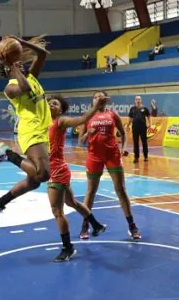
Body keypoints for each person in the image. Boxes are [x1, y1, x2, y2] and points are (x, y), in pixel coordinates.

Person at [0, 35, 52, 227]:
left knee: (33, 182)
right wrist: (12, 65)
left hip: (43, 130)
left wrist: (21, 43)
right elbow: (24, 86)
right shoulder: (10, 88)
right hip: (30, 130)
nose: (21, 64)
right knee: (43, 174)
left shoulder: (31, 77)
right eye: (17, 64)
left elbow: (43, 54)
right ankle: (6, 154)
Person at [43, 95, 109, 261]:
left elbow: (82, 119)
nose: (51, 104)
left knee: (57, 211)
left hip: (57, 170)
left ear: (61, 110)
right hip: (56, 168)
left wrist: (95, 106)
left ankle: (68, 248)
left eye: (55, 103)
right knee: (71, 202)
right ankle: (96, 224)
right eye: (49, 102)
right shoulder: (44, 123)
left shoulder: (61, 121)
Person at [78, 91, 141, 240]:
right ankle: (85, 225)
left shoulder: (113, 114)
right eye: (95, 96)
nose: (98, 98)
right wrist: (88, 134)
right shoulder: (87, 116)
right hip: (94, 157)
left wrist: (123, 148)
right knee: (91, 191)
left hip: (112, 155)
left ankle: (132, 226)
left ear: (106, 100)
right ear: (92, 101)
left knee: (120, 189)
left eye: (101, 96)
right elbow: (80, 141)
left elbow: (123, 133)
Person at [127, 95, 151, 163]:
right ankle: (136, 157)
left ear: (141, 100)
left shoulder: (145, 108)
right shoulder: (132, 109)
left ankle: (146, 156)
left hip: (143, 127)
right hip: (135, 127)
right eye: (137, 99)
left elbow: (149, 116)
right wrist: (128, 125)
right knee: (135, 142)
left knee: (144, 142)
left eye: (139, 99)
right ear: (135, 100)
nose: (138, 100)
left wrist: (150, 124)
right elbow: (130, 118)